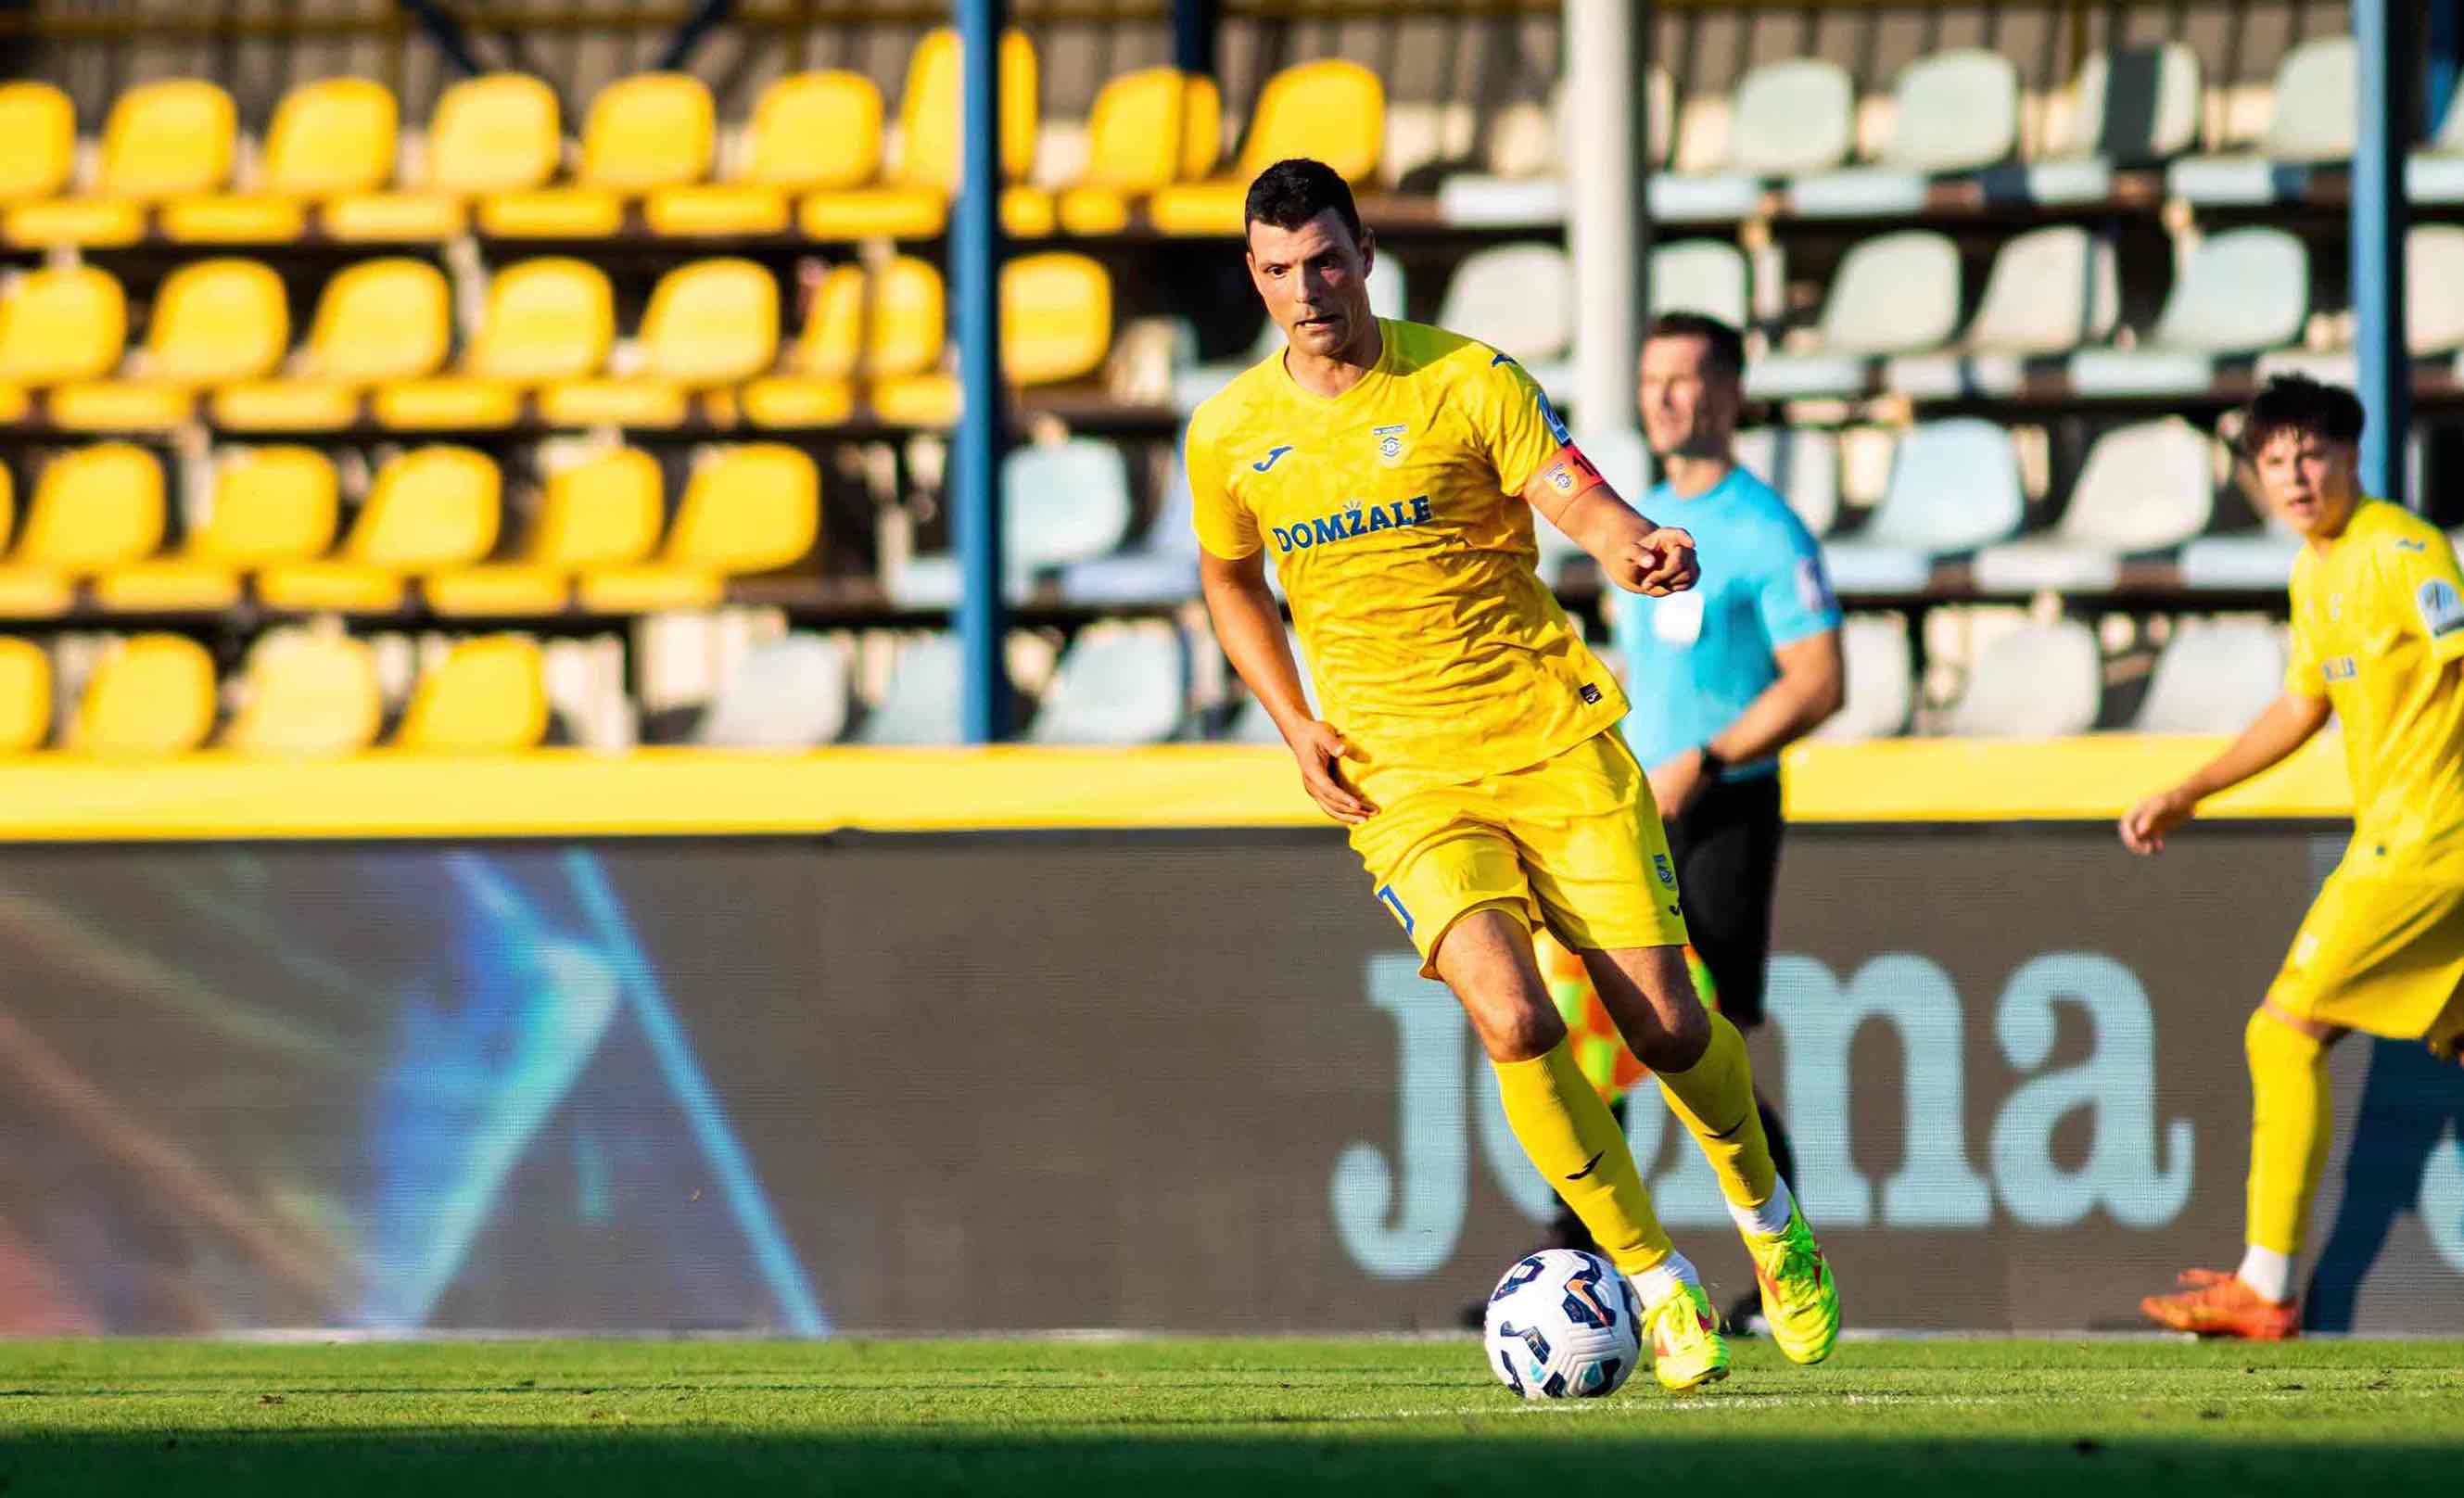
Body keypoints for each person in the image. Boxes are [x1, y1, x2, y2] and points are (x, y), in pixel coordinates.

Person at [1188, 158, 1838, 1390]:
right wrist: (1292, 720)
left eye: (1324, 261)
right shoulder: (1227, 433)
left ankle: (1769, 1222)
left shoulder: (1466, 379)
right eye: (1279, 270)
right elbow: (1227, 579)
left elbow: (1572, 494)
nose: (1306, 290)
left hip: (1548, 741)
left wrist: (1634, 543)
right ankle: (1652, 1276)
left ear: (1365, 255)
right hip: (1399, 776)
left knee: (1665, 1024)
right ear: (1253, 277)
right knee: (1513, 1018)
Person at [2123, 374, 2464, 1339]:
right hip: (2407, 839)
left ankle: (2266, 1285)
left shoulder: (2404, 550)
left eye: (2313, 453)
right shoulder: (2315, 573)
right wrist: (2192, 789)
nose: (2297, 476)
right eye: (2275, 461)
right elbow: (2301, 704)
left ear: (2352, 454)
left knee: (2282, 1035)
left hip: (2426, 843)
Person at [1617, 311, 1846, 1327]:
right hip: (1637, 810)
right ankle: (1579, 1261)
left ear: (1732, 393)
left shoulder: (1764, 530)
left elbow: (1820, 680)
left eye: (1686, 378)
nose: (1666, 398)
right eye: (1651, 379)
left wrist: (1706, 760)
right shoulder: (1641, 520)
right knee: (1604, 1030)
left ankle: (1780, 1265)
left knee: (1707, 1043)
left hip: (1724, 811)